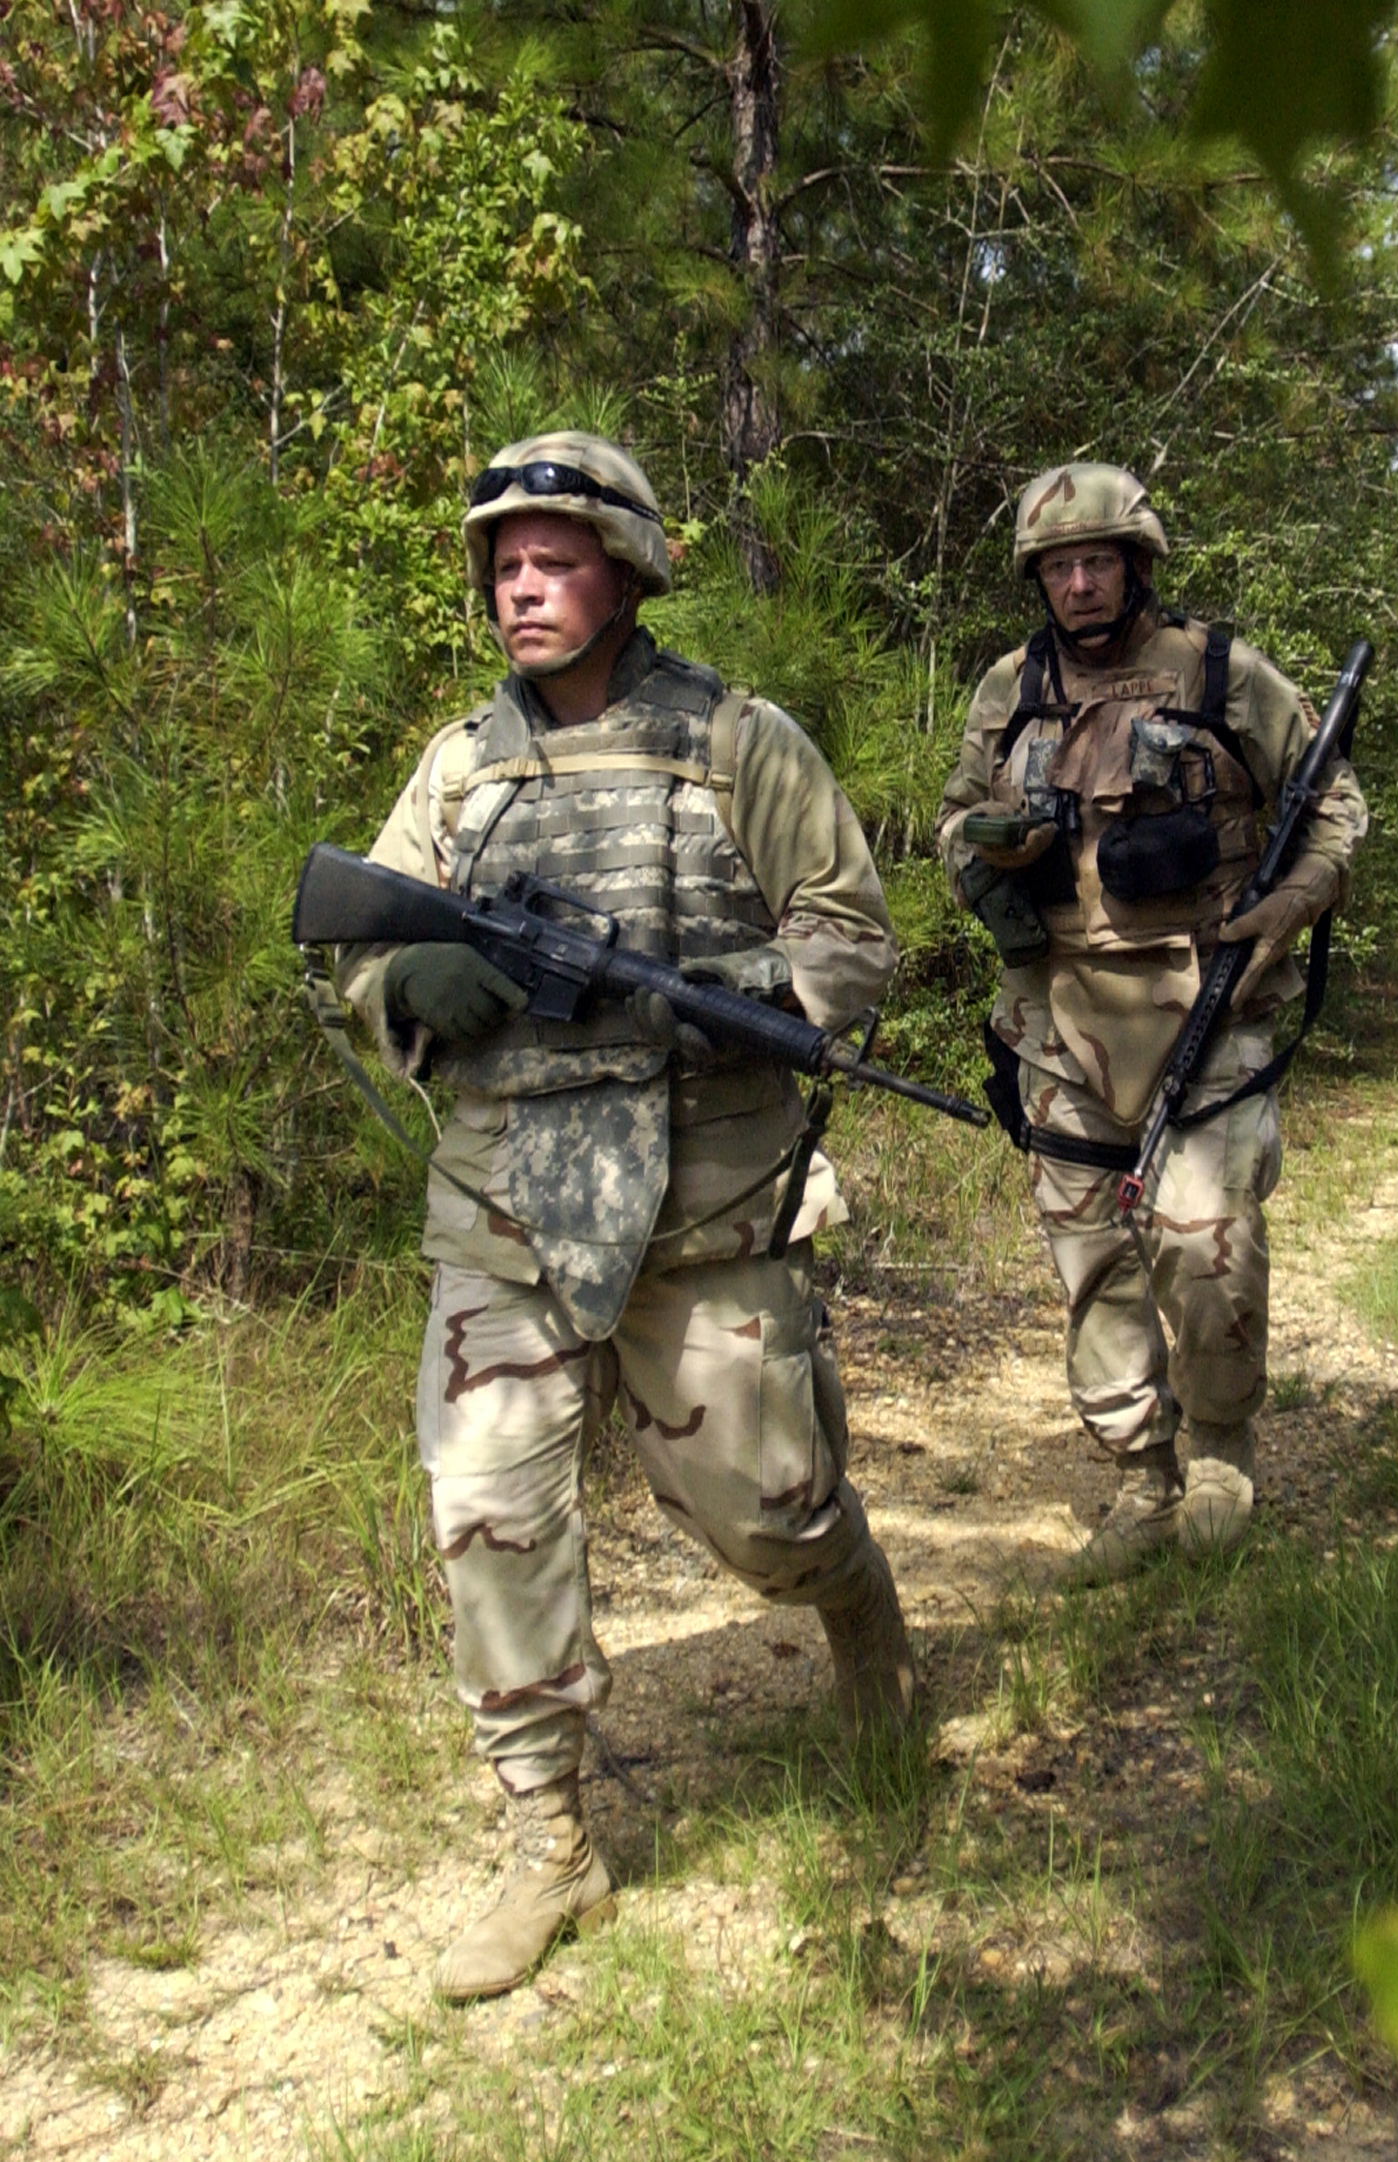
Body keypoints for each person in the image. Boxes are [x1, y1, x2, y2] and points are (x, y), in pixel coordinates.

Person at [327, 432, 917, 2004]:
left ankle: (858, 1606)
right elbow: (360, 944)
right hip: (506, 1206)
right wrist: (406, 987)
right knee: (488, 1514)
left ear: (628, 569)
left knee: (766, 1511)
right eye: (505, 565)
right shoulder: (457, 767)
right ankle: (552, 1846)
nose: (525, 585)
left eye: (557, 559)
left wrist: (738, 1000)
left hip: (707, 1199)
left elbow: (854, 939)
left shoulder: (742, 742)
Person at [937, 462, 1364, 1587]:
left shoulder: (1221, 673)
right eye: (1059, 567)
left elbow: (1332, 804)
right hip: (1057, 1017)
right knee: (1092, 1263)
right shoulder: (1007, 688)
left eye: (1098, 561)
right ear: (1039, 579)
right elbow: (949, 825)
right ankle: (1140, 1473)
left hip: (1210, 999)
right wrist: (984, 852)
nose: (1079, 584)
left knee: (1200, 1238)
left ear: (1137, 564)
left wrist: (1293, 901)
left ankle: (1220, 1448)